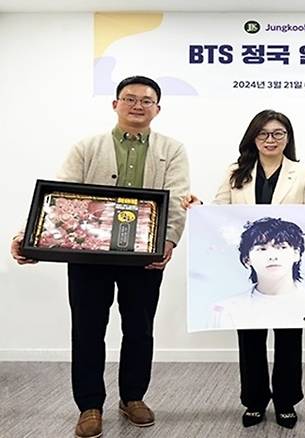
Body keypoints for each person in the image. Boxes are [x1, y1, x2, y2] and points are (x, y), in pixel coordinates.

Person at [10, 75, 190, 438]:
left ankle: (133, 397)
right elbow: (60, 199)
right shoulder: (87, 147)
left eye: (146, 100)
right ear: (115, 104)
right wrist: (26, 238)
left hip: (143, 257)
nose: (138, 105)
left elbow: (177, 199)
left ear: (157, 109)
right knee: (87, 329)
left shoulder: (171, 149)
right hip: (88, 256)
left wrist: (169, 241)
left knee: (139, 329)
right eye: (130, 98)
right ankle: (89, 405)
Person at [182, 110, 305, 429]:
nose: (271, 139)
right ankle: (254, 401)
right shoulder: (236, 172)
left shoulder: (302, 172)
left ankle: (286, 401)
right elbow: (219, 213)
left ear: (288, 138)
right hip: (247, 268)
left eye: (278, 133)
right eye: (263, 133)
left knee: (289, 338)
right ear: (253, 138)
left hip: (284, 272)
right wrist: (200, 209)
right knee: (250, 338)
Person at [209, 217, 305, 329]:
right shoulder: (225, 310)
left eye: (281, 247)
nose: (272, 256)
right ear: (247, 259)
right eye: (262, 249)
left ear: (296, 254)